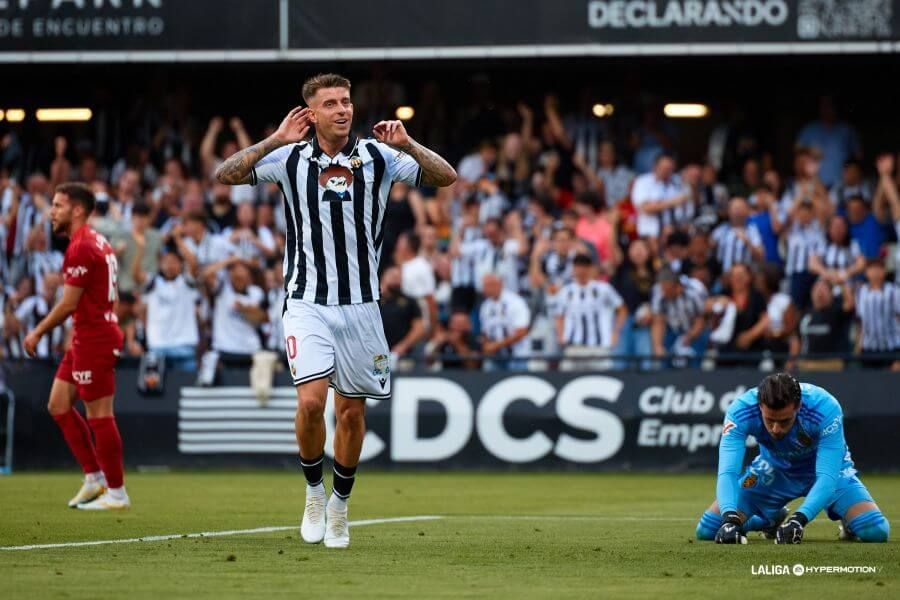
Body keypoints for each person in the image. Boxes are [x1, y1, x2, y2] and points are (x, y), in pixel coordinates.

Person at [214, 73, 456, 548]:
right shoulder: (289, 158)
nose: (342, 110)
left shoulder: (379, 156)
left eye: (346, 101)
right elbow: (225, 175)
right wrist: (275, 139)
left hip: (361, 306)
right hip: (306, 301)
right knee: (310, 403)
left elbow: (446, 177)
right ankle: (313, 492)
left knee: (350, 414)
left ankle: (340, 505)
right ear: (311, 113)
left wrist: (408, 145)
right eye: (331, 104)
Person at [23, 183, 129, 510]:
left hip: (95, 338)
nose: (51, 212)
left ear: (78, 209)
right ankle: (94, 478)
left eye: (58, 206)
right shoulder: (96, 240)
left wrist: (37, 331)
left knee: (100, 415)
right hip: (86, 336)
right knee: (58, 404)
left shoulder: (81, 246)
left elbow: (68, 303)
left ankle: (116, 492)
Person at [696, 373, 889, 544]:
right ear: (760, 406)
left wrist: (799, 519)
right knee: (708, 530)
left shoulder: (825, 408)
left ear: (798, 406)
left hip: (824, 471)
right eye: (769, 420)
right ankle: (768, 521)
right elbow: (728, 472)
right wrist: (730, 519)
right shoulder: (741, 410)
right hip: (774, 469)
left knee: (876, 531)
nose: (776, 429)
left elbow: (827, 477)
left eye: (784, 421)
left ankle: (847, 521)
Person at [554, 254, 627, 369]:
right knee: (567, 377)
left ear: (590, 268)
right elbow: (559, 315)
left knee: (602, 378)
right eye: (578, 266)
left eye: (584, 266)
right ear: (573, 268)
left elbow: (622, 309)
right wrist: (561, 335)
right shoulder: (566, 291)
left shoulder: (603, 289)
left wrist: (615, 332)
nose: (581, 270)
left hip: (598, 347)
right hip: (574, 347)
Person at [650, 267, 709, 367]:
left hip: (696, 329)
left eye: (667, 290)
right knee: (664, 357)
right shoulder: (658, 291)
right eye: (662, 288)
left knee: (695, 357)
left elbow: (701, 319)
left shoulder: (694, 291)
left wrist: (689, 337)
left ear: (677, 287)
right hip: (673, 329)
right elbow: (658, 321)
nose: (663, 293)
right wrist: (657, 346)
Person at [478, 273, 531, 371]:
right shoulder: (485, 306)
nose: (485, 289)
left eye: (489, 285)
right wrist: (486, 345)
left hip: (516, 355)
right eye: (484, 286)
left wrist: (497, 345)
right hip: (495, 357)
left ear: (499, 284)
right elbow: (485, 332)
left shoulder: (515, 302)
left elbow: (522, 332)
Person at [855, 258, 900, 370]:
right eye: (872, 268)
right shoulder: (861, 291)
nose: (875, 272)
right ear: (866, 272)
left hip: (891, 346)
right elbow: (861, 321)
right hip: (868, 347)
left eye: (878, 268)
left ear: (884, 271)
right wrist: (858, 344)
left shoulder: (893, 291)